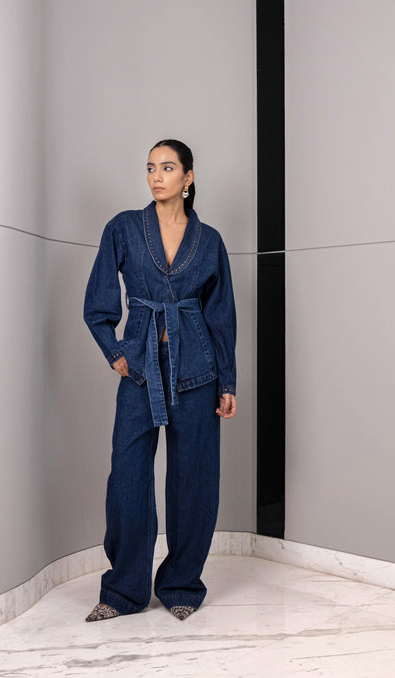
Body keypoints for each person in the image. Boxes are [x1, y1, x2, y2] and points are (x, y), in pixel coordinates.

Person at [83, 139, 237, 622]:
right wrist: (116, 354)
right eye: (151, 167)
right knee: (128, 477)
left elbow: (221, 316)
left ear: (188, 178)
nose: (156, 176)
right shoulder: (124, 228)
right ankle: (123, 590)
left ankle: (181, 584)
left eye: (167, 168)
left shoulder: (209, 240)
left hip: (198, 371)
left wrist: (227, 382)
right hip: (140, 369)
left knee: (194, 480)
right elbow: (98, 301)